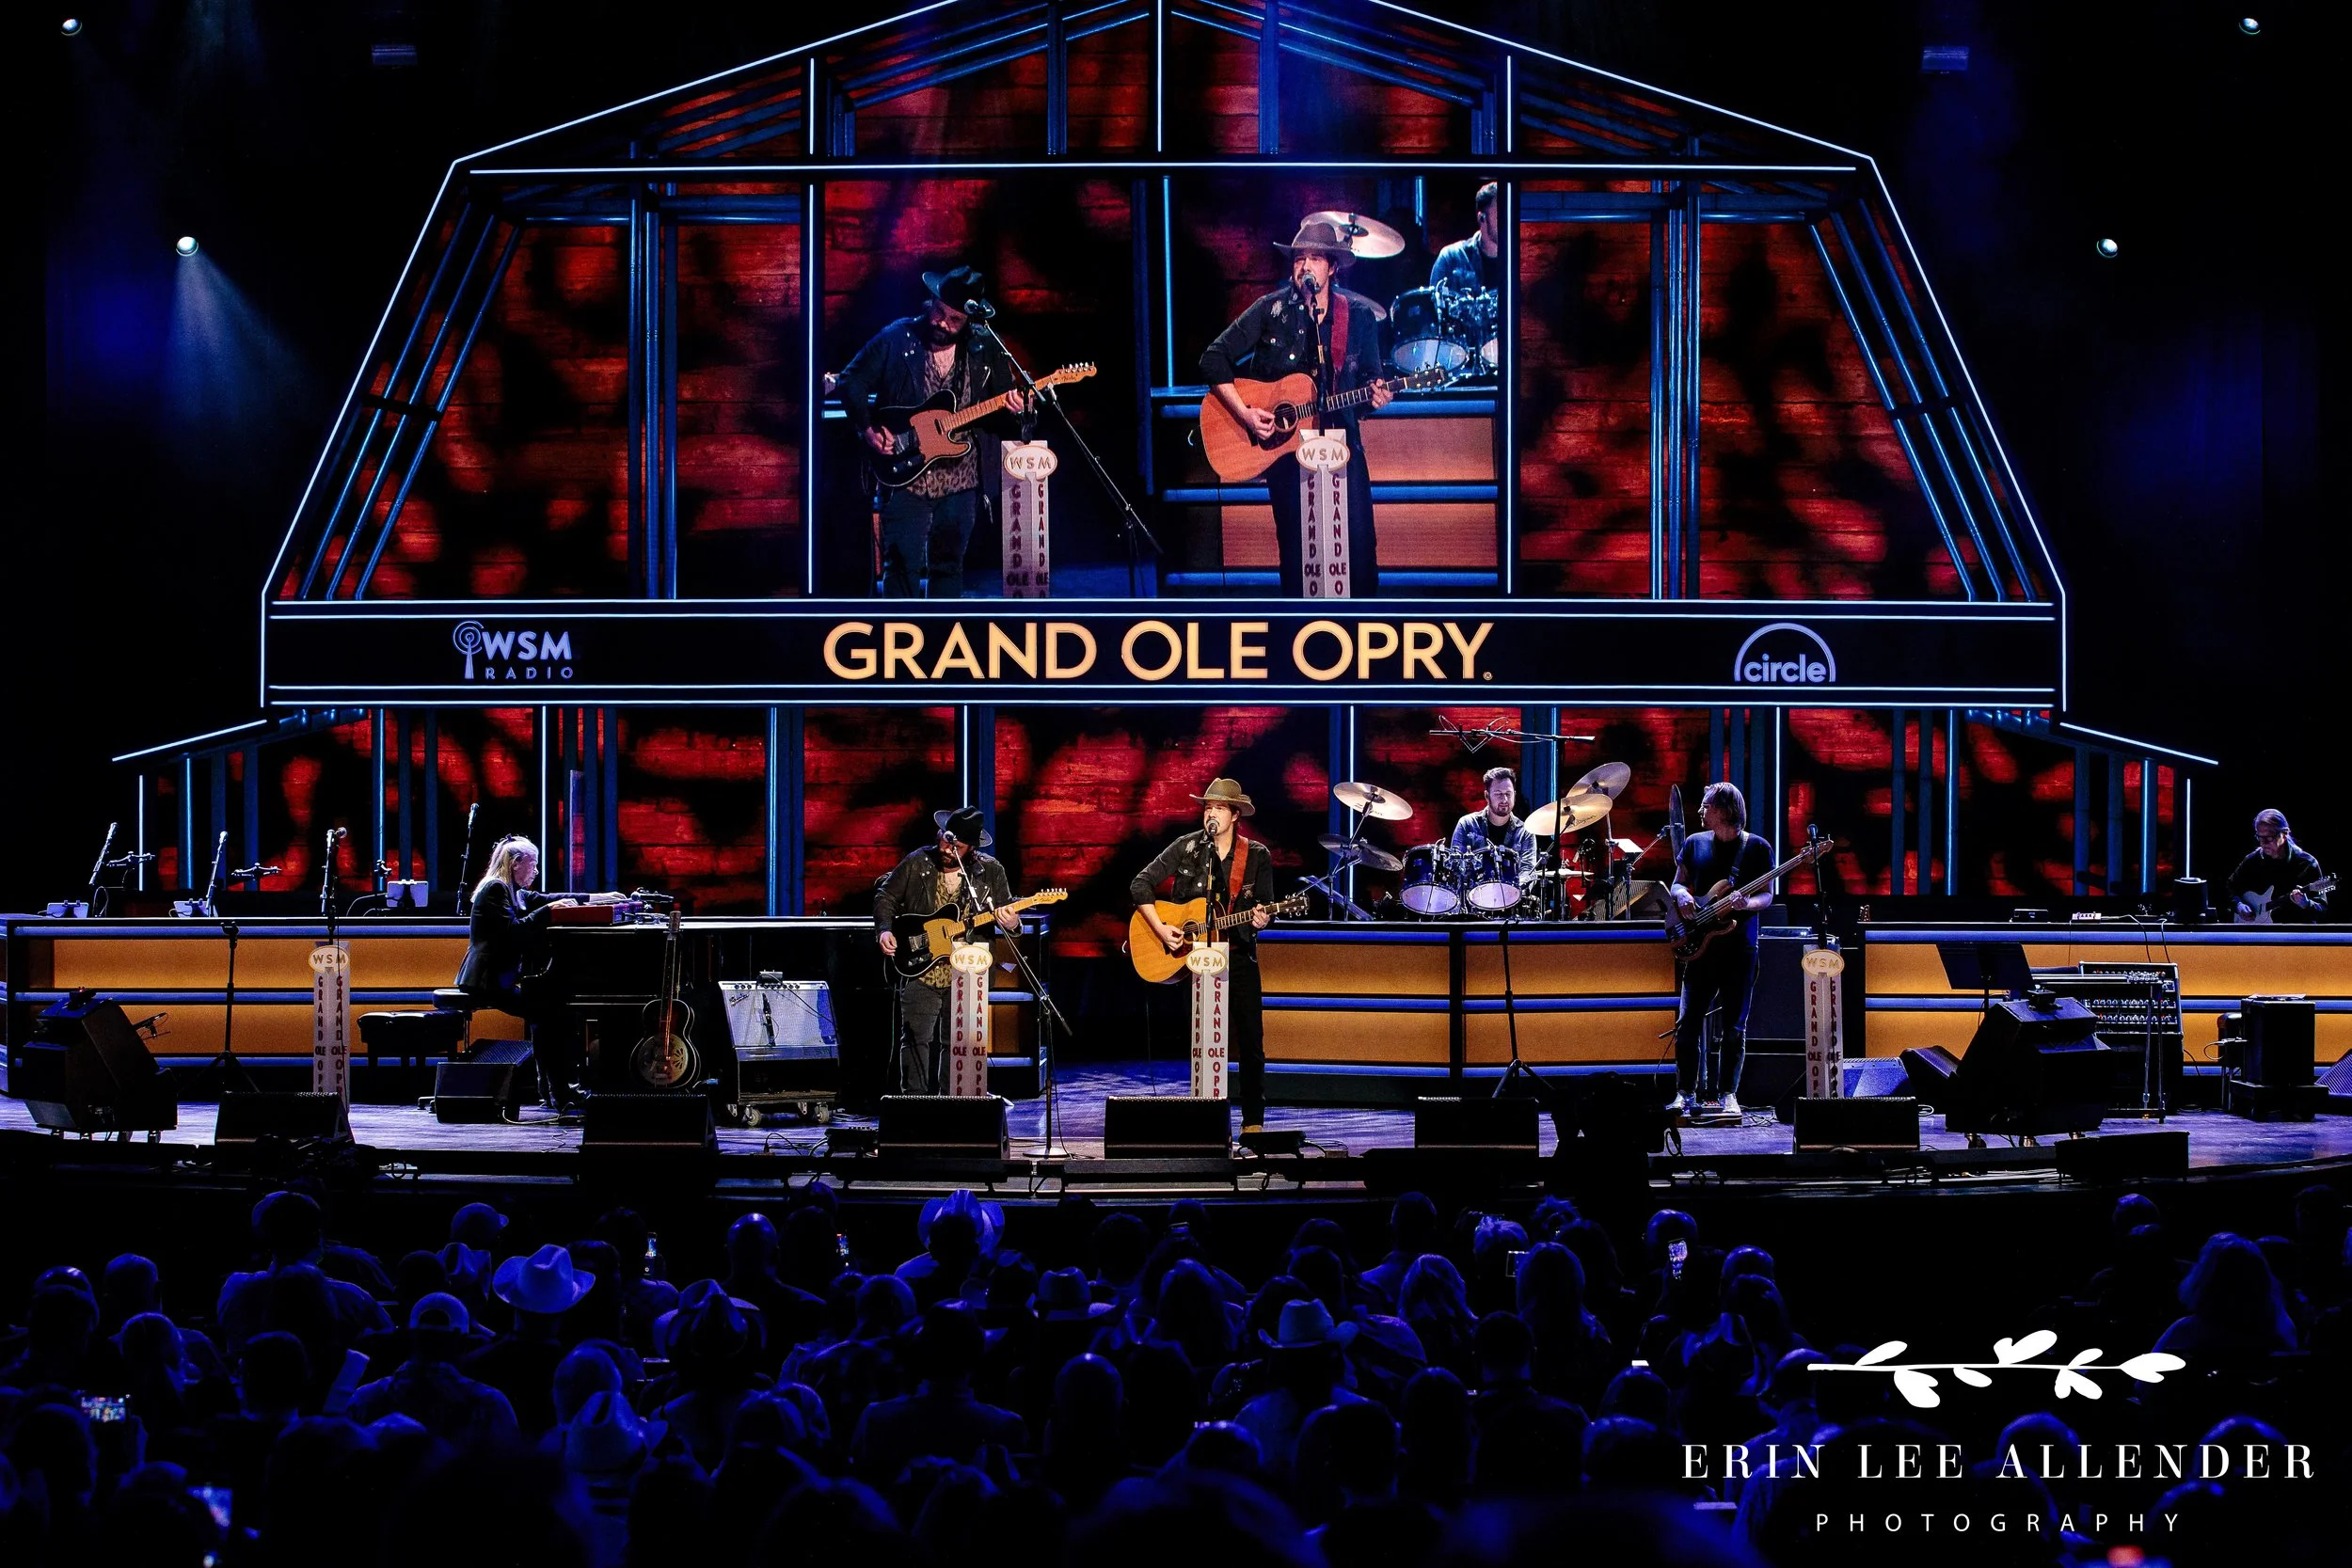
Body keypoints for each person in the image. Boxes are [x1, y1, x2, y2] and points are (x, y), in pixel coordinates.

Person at [1200, 217, 1395, 596]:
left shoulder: (1356, 317)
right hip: (1286, 456)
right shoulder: (1269, 309)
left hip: (1343, 450)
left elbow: (1371, 380)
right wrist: (1245, 414)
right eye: (1298, 259)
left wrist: (1377, 395)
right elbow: (1213, 359)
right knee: (1296, 557)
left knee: (1357, 555)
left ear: (1332, 267)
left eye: (1315, 259)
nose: (1305, 266)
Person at [834, 264, 1028, 600]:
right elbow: (852, 380)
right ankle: (900, 639)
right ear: (931, 303)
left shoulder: (985, 349)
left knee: (949, 566)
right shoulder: (898, 337)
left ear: (969, 321)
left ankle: (943, 640)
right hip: (904, 474)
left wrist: (1018, 410)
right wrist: (867, 429)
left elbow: (1001, 422)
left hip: (961, 480)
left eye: (954, 320)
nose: (942, 323)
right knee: (901, 566)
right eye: (939, 313)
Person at [1130, 778, 1279, 1132]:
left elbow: (1264, 910)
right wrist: (1160, 927)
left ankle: (1253, 1124)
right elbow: (1141, 883)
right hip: (1194, 959)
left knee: (1250, 1041)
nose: (1211, 814)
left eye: (1219, 808)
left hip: (1239, 955)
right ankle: (1205, 1122)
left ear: (1235, 815)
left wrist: (1262, 918)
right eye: (1207, 808)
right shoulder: (1187, 847)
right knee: (1202, 1041)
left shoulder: (1256, 855)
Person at [872, 805, 1020, 1094]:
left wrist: (1011, 921)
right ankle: (913, 1103)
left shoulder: (989, 871)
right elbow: (885, 895)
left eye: (955, 847)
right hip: (920, 965)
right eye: (943, 839)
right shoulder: (918, 862)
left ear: (971, 848)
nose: (946, 849)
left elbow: (1007, 914)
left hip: (965, 971)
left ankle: (951, 1104)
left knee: (957, 1041)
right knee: (915, 1038)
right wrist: (885, 929)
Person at [453, 834, 588, 1109]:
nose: (536, 871)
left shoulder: (513, 891)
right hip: (485, 981)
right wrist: (548, 912)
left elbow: (548, 898)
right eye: (533, 864)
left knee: (550, 1014)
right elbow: (513, 932)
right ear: (515, 863)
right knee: (551, 1014)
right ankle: (560, 1092)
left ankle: (553, 1090)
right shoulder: (495, 889)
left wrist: (594, 898)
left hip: (499, 979)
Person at [1666, 783, 1774, 1117]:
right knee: (1688, 1024)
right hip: (1700, 948)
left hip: (1740, 947)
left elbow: (1767, 895)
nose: (1700, 811)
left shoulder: (1756, 847)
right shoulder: (1694, 843)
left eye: (1706, 806)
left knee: (1734, 1027)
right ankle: (1686, 1093)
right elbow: (1678, 882)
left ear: (1724, 811)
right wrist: (1682, 895)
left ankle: (1728, 1095)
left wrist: (1746, 902)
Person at [1446, 766, 1539, 913]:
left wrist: (1510, 892)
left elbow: (1528, 871)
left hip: (1512, 905)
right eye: (1498, 794)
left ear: (1515, 795)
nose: (1504, 799)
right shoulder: (1466, 824)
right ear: (1486, 795)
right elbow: (1456, 867)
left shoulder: (1525, 831)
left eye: (1508, 794)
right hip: (1472, 907)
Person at [2228, 808, 2329, 923]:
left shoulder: (2307, 864)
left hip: (2296, 935)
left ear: (2284, 834)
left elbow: (2322, 910)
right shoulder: (2253, 860)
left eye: (2269, 838)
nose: (2263, 843)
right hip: (2260, 935)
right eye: (2260, 837)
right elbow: (2229, 888)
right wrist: (2238, 905)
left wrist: (2306, 904)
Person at [1429, 181, 1501, 294]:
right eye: (1501, 215)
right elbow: (1433, 304)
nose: (1508, 221)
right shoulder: (1451, 257)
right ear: (1482, 218)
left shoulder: (1519, 260)